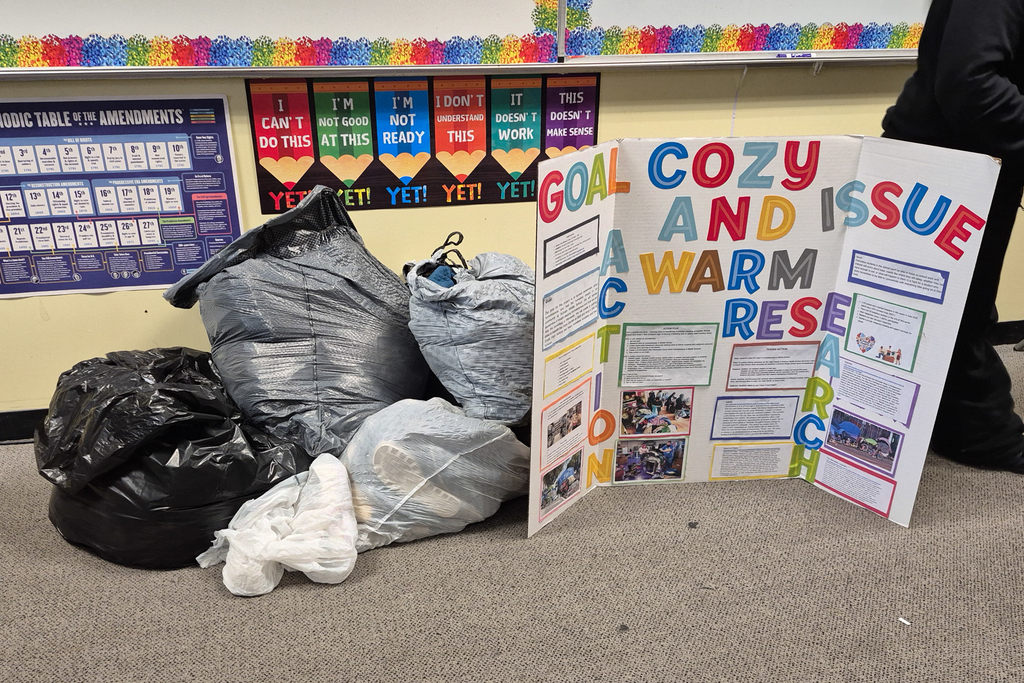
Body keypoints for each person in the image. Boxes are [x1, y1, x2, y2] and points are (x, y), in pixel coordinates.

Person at [882, 0, 1024, 472]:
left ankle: (953, 424)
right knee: (955, 308)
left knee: (964, 300)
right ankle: (980, 437)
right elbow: (971, 84)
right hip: (950, 161)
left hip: (978, 154)